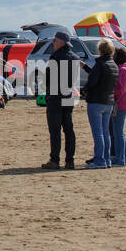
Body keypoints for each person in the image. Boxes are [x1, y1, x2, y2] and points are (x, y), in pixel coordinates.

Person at [40, 31, 81, 170]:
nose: (53, 43)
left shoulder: (56, 57)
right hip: (68, 95)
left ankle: (55, 160)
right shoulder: (75, 58)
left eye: (55, 41)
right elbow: (74, 78)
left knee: (55, 130)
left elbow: (48, 78)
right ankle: (70, 161)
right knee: (69, 129)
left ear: (61, 42)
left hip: (56, 96)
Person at [82, 40, 118, 169]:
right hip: (108, 101)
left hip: (96, 101)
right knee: (105, 133)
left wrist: (84, 90)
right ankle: (106, 159)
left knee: (98, 133)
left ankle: (99, 160)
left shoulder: (100, 64)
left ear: (100, 50)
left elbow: (93, 81)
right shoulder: (113, 65)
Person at [110, 47, 126, 167]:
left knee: (118, 132)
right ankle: (123, 159)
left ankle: (121, 159)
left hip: (121, 103)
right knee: (118, 132)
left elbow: (121, 88)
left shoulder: (123, 70)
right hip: (122, 102)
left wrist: (110, 92)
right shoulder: (124, 68)